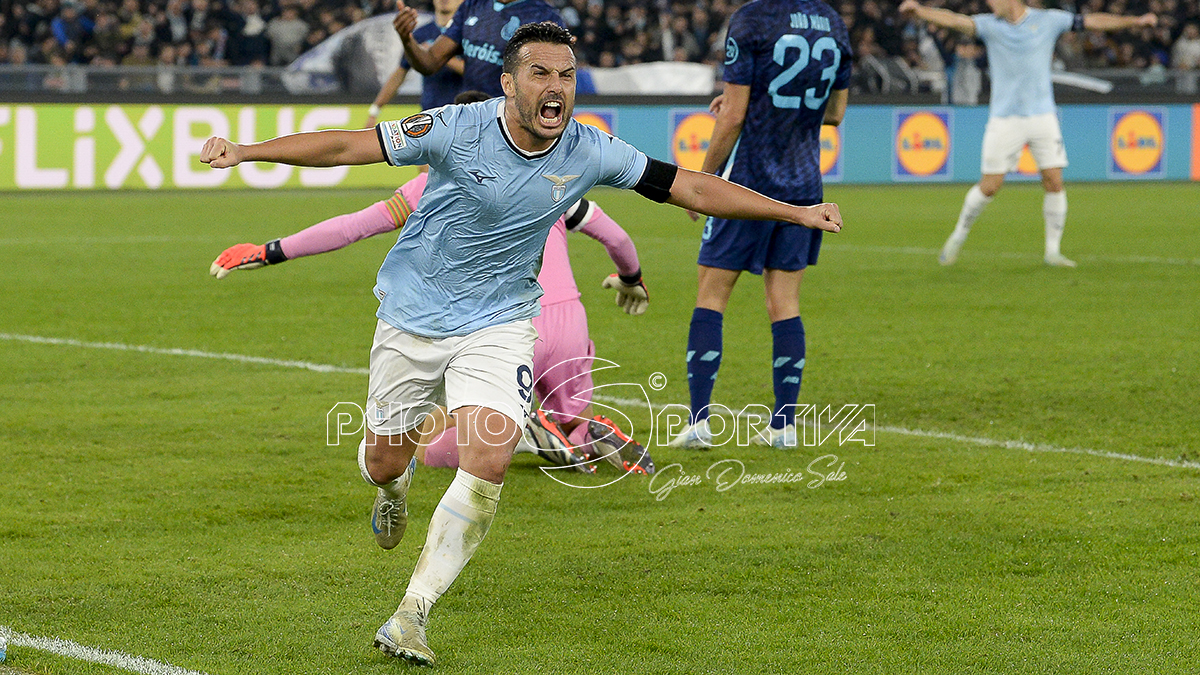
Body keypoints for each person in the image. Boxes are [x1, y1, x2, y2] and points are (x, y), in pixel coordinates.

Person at [199, 22, 842, 667]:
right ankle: (391, 491)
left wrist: (794, 211)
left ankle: (410, 615)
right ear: (508, 83)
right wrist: (248, 152)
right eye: (541, 74)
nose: (556, 88)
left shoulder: (589, 150)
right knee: (385, 461)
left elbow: (691, 187)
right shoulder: (454, 128)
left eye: (566, 76)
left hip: (501, 323)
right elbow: (347, 147)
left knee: (490, 461)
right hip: (413, 318)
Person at [210, 95, 656, 478]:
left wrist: (271, 250)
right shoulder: (554, 177)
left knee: (433, 446)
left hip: (497, 325)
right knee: (568, 424)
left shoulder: (430, 186)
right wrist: (631, 280)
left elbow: (352, 228)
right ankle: (578, 431)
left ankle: (527, 434)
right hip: (570, 323)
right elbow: (615, 236)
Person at [668, 0, 852, 450]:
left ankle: (698, 422)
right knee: (784, 303)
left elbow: (732, 116)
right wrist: (757, 103)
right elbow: (834, 114)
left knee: (712, 295)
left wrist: (704, 180)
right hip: (805, 187)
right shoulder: (832, 22)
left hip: (748, 187)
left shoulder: (752, 18)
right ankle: (784, 426)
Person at [899, 0, 1158, 268]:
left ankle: (1052, 251)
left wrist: (1134, 22)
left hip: (1042, 116)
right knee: (990, 186)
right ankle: (958, 234)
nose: (989, 3)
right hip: (1005, 118)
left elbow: (1092, 21)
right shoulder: (989, 26)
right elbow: (953, 20)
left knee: (1054, 180)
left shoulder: (1049, 20)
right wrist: (919, 11)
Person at [394, 0, 564, 98]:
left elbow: (552, 79)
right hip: (470, 120)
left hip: (512, 124)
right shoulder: (472, 5)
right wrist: (407, 38)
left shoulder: (543, 15)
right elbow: (429, 63)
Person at [364, 0, 465, 128]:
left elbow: (478, 71)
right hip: (430, 117)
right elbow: (400, 73)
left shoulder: (469, 33)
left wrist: (436, 55)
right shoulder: (421, 33)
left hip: (463, 116)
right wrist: (375, 110)